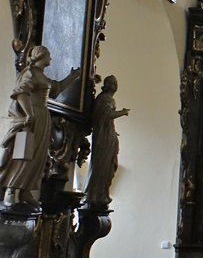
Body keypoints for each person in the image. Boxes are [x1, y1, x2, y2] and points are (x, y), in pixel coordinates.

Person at [0, 46, 79, 206]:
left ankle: (25, 191)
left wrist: (73, 76)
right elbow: (21, 93)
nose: (50, 59)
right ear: (41, 56)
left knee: (38, 156)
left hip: (43, 116)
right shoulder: (30, 73)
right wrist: (29, 114)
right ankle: (11, 188)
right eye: (49, 56)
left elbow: (56, 90)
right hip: (34, 115)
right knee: (24, 154)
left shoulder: (42, 76)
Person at [84, 76, 129, 205]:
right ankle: (93, 195)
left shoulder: (109, 99)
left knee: (108, 166)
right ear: (107, 85)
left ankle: (102, 193)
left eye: (116, 83)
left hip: (108, 134)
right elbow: (105, 115)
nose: (115, 86)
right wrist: (123, 112)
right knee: (100, 166)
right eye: (112, 83)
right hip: (102, 136)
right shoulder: (103, 99)